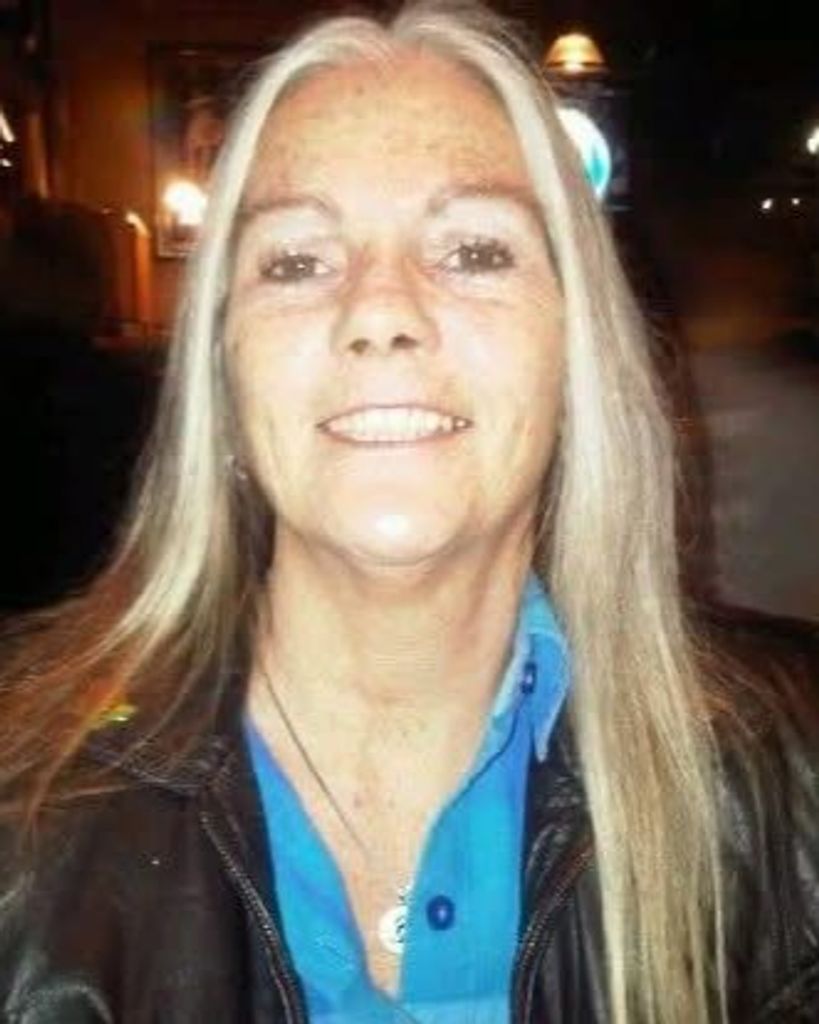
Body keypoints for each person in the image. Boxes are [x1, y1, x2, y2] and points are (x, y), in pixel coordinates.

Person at [0, 2, 817, 1022]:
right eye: (297, 261)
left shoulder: (795, 772)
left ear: (577, 354)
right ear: (224, 372)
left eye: (473, 250)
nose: (380, 311)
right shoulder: (20, 799)